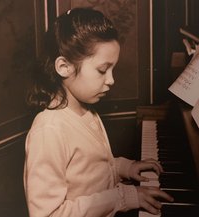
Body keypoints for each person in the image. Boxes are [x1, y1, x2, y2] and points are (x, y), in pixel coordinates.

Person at [23, 7, 173, 217]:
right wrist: (123, 197)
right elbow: (48, 214)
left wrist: (125, 167)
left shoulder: (85, 110)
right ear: (64, 67)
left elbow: (89, 170)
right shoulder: (48, 130)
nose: (111, 80)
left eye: (113, 70)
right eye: (103, 70)